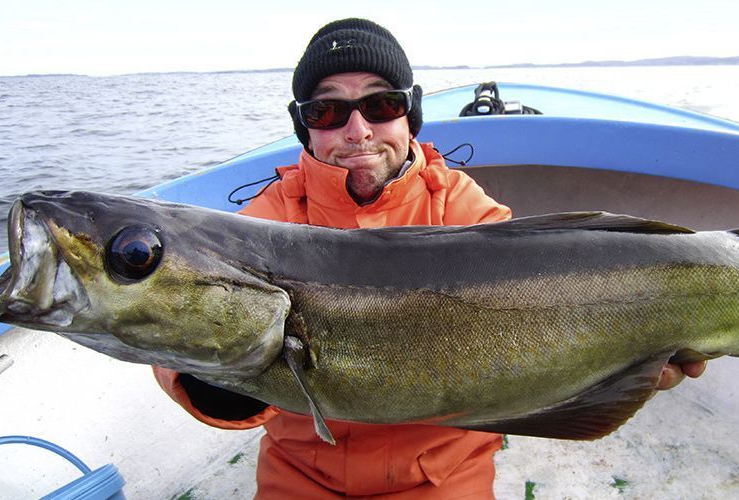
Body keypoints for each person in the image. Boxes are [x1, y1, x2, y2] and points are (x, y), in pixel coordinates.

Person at [154, 18, 705, 498]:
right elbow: (172, 328)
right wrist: (210, 375)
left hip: (444, 474)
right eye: (328, 111)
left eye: (381, 103)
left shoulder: (464, 206)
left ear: (409, 114)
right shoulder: (263, 220)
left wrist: (617, 367)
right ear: (305, 126)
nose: (358, 130)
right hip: (302, 474)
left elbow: (541, 301)